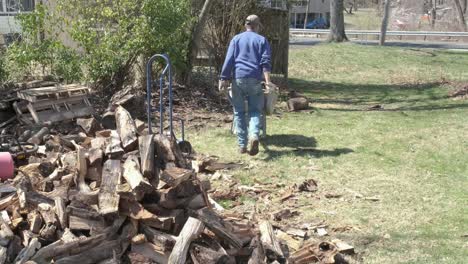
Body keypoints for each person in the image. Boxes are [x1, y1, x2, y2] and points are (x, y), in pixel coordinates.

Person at [219, 14, 274, 156]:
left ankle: (242, 145)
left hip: (238, 79)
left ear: (245, 25)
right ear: (257, 26)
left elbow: (229, 60)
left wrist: (223, 78)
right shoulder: (262, 40)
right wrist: (267, 82)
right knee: (255, 110)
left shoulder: (236, 39)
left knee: (239, 112)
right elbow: (265, 63)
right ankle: (254, 135)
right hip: (255, 79)